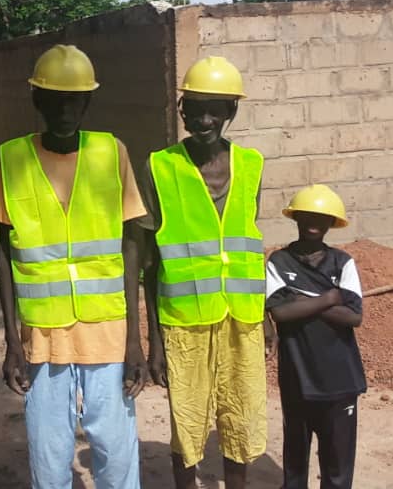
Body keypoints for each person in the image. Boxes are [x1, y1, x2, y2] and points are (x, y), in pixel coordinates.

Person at [0, 44, 146, 488]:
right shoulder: (12, 157)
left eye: (74, 101)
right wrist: (12, 343)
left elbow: (131, 242)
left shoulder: (111, 152)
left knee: (116, 448)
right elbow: (3, 250)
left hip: (106, 328)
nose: (65, 111)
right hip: (43, 334)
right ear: (37, 100)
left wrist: (135, 340)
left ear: (87, 102)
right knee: (48, 449)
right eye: (55, 101)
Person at [138, 56, 266, 489]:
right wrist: (154, 340)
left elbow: (248, 247)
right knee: (187, 422)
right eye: (195, 109)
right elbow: (150, 264)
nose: (205, 119)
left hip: (242, 318)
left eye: (215, 109)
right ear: (182, 111)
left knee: (241, 416)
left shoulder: (251, 165)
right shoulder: (160, 167)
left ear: (232, 110)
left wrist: (264, 316)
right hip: (184, 322)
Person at [266, 184, 365, 489]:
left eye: (322, 218)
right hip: (298, 377)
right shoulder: (279, 262)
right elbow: (280, 313)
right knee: (295, 461)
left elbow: (354, 316)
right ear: (296, 217)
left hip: (340, 379)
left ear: (332, 223)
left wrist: (301, 301)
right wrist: (329, 298)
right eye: (307, 215)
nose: (313, 222)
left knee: (337, 465)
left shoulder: (343, 263)